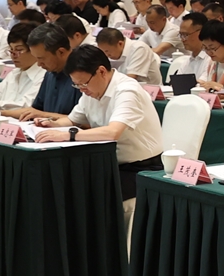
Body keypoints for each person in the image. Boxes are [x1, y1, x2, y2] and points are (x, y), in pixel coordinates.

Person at [36, 45, 164, 235]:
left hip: (141, 169)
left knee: (86, 195)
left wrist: (69, 134)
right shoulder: (90, 90)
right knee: (63, 184)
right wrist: (50, 124)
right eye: (77, 85)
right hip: (108, 164)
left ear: (101, 71)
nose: (82, 90)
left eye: (84, 84)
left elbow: (113, 132)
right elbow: (72, 120)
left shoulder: (127, 90)